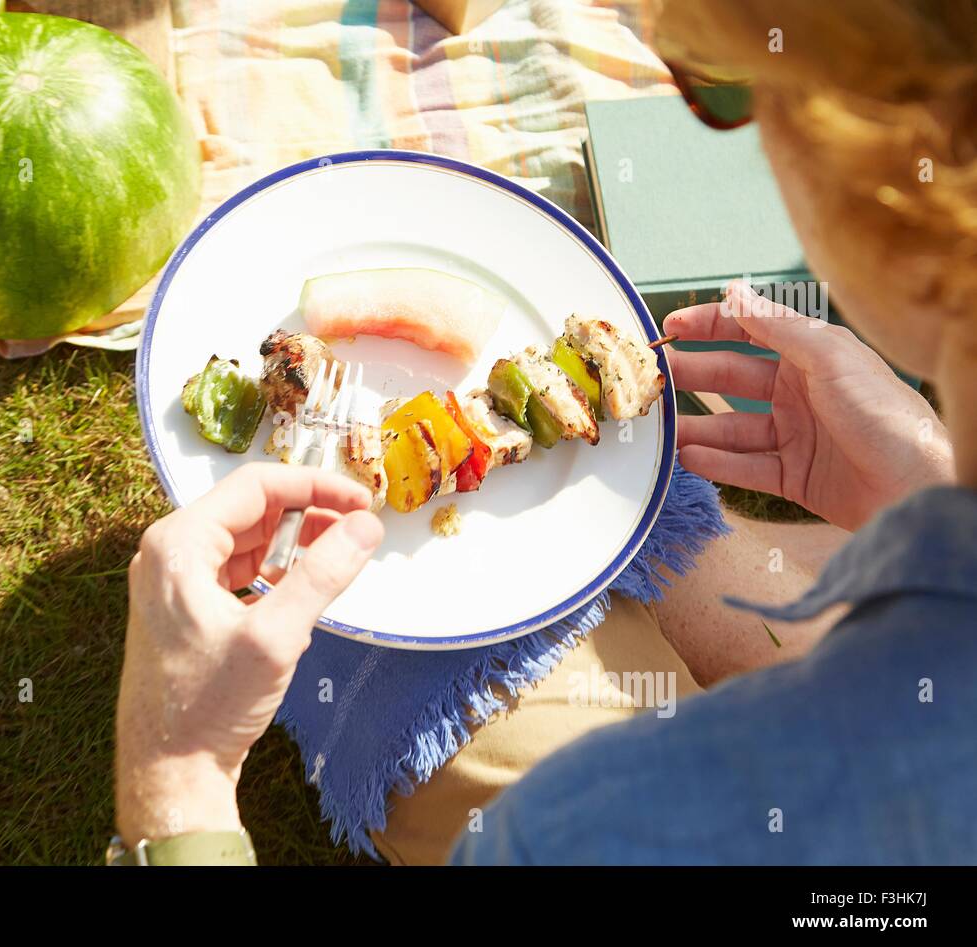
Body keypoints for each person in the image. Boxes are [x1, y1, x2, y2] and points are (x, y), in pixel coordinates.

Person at [112, 0, 976, 864]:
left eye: (726, 90)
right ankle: (667, 584)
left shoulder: (577, 825)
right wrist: (932, 496)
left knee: (454, 704)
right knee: (723, 585)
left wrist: (177, 775)